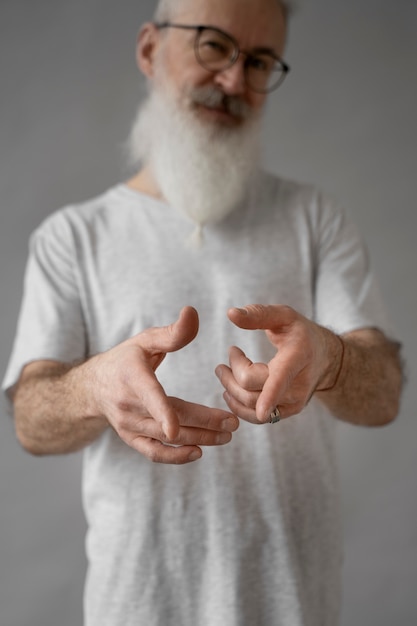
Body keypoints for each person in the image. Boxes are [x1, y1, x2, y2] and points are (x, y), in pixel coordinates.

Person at [2, 0, 403, 624]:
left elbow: (384, 397)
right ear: (148, 50)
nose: (235, 81)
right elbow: (31, 418)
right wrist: (93, 387)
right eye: (214, 45)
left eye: (261, 60)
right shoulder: (73, 237)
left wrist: (331, 360)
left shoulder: (315, 219)